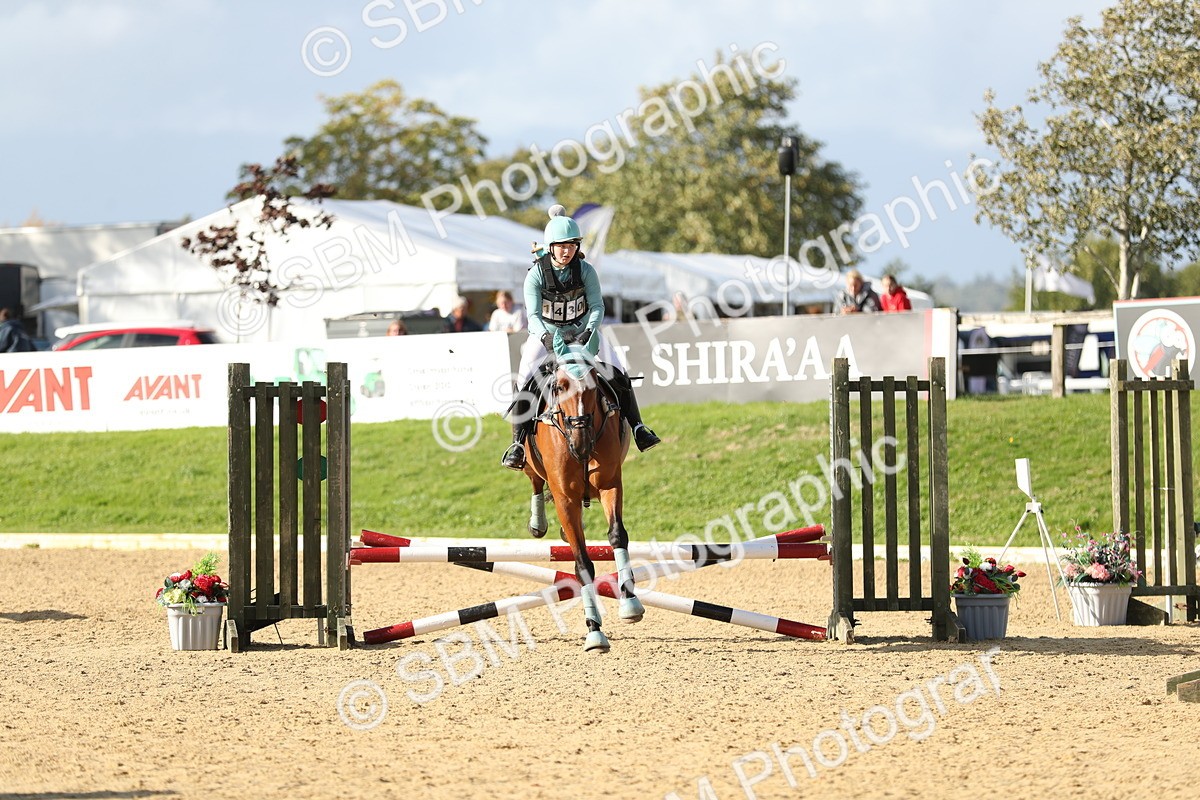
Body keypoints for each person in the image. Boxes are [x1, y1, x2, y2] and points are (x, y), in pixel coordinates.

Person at [501, 205, 660, 470]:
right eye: (562, 246)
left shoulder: (586, 271)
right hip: (547, 333)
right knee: (525, 376)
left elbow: (597, 306)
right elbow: (534, 316)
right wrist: (546, 337)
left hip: (582, 329)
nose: (567, 251)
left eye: (572, 246)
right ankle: (518, 444)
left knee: (619, 369)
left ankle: (638, 427)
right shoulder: (536, 275)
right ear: (550, 247)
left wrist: (590, 329)